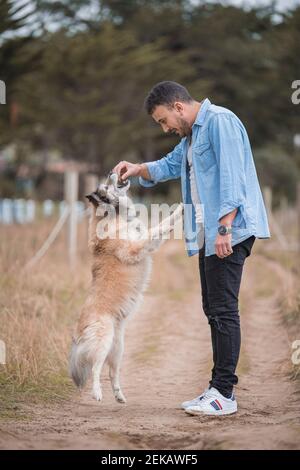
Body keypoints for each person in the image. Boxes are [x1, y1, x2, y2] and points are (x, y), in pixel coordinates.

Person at [113, 81, 270, 416]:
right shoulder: (191, 137)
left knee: (224, 310)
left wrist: (225, 227)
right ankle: (216, 389)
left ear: (178, 107)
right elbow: (170, 166)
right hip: (207, 233)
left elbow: (232, 178)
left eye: (162, 120)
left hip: (228, 231)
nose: (165, 127)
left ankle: (224, 395)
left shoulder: (220, 122)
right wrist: (138, 169)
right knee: (212, 308)